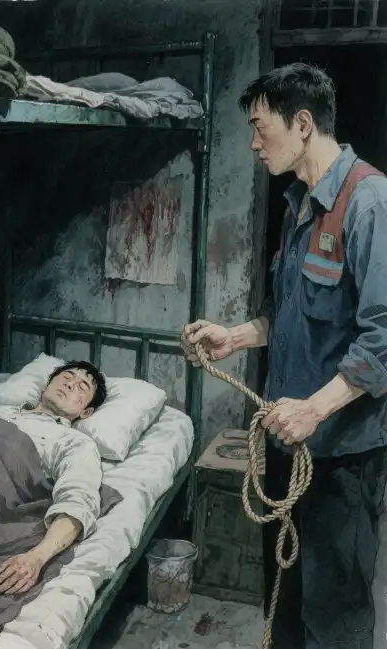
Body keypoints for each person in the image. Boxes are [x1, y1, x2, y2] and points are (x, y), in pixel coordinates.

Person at [181, 62, 387, 649]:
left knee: (335, 616)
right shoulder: (297, 204)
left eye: (258, 126)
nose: (253, 143)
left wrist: (314, 410)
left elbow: (383, 339)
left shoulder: (370, 202)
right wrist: (234, 336)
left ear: (301, 123)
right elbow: (288, 312)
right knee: (285, 601)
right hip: (285, 439)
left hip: (341, 456)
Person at [0, 360, 107, 597]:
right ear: (47, 384)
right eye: (67, 376)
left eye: (82, 387)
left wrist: (36, 557)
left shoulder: (73, 442)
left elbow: (77, 501)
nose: (71, 384)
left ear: (86, 412)